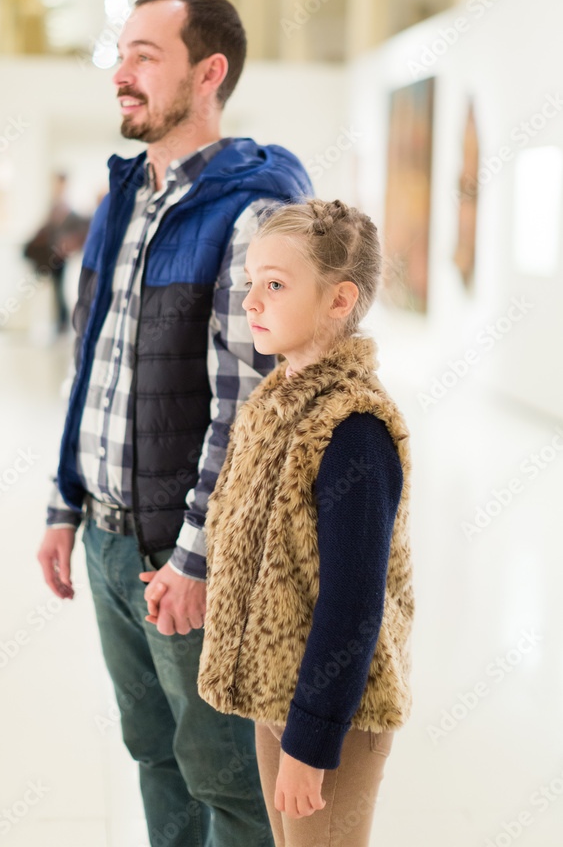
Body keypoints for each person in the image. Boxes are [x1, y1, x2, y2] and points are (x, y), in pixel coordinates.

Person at [36, 0, 314, 847]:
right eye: (120, 55)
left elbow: (246, 411)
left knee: (226, 780)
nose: (120, 74)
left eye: (145, 56)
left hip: (185, 557)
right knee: (153, 753)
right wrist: (64, 503)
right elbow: (93, 363)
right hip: (108, 539)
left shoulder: (251, 211)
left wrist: (195, 560)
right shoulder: (124, 197)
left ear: (208, 73)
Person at [181, 197, 415, 847]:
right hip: (275, 694)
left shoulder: (354, 429)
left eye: (275, 285)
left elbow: (352, 604)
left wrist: (310, 744)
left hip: (333, 713)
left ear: (339, 300)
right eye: (249, 281)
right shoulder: (273, 404)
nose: (250, 301)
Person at [23, 173, 90, 334]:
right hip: (51, 254)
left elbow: (79, 230)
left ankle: (62, 322)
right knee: (55, 290)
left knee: (59, 290)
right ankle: (60, 322)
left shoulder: (69, 209)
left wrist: (68, 243)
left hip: (60, 256)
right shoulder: (53, 207)